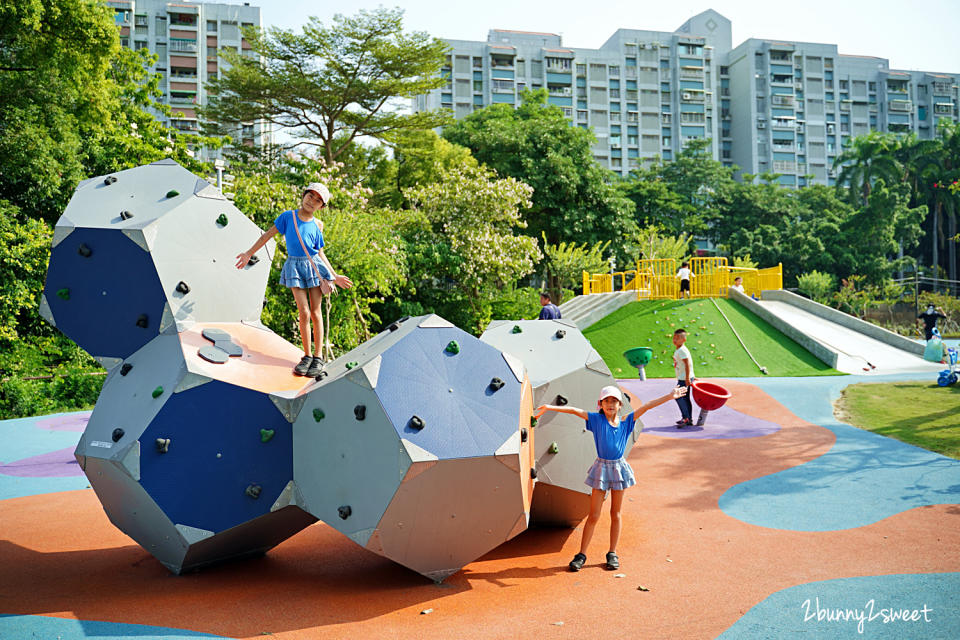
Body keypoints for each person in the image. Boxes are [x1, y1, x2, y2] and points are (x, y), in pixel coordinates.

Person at [534, 384, 687, 572]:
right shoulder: (596, 420)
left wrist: (670, 396)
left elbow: (647, 406)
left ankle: (612, 553)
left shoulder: (626, 422)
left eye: (614, 401)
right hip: (601, 468)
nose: (610, 404)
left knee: (616, 513)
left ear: (620, 404)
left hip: (618, 469)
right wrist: (550, 407)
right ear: (600, 404)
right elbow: (574, 410)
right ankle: (581, 554)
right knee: (594, 515)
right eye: (606, 401)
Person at [236, 182, 353, 377]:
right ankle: (306, 356)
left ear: (321, 207)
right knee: (303, 311)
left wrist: (334, 275)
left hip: (314, 268)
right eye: (311, 196)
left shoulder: (318, 225)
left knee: (316, 312)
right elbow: (267, 236)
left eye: (318, 200)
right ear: (304, 194)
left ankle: (318, 357)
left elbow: (320, 253)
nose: (312, 201)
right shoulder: (287, 217)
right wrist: (249, 253)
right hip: (295, 267)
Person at [672, 328, 695, 427]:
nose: (675, 340)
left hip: (683, 379)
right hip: (683, 377)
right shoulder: (679, 349)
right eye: (674, 338)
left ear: (684, 340)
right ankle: (688, 418)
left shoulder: (682, 350)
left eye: (678, 338)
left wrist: (687, 378)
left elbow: (687, 365)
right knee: (685, 398)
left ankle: (686, 418)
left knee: (678, 397)